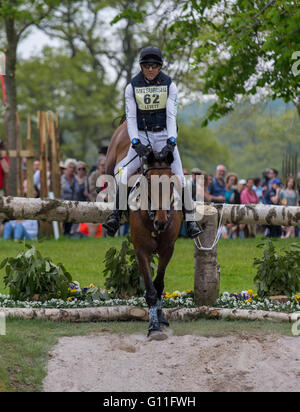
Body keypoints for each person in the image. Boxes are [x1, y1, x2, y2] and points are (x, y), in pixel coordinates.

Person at [103, 46, 201, 238]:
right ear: (141, 66)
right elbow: (130, 118)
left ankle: (191, 221)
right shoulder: (131, 87)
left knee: (181, 178)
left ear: (160, 67)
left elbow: (171, 116)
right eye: (146, 66)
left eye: (154, 66)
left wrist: (172, 141)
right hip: (142, 135)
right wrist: (136, 142)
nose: (150, 69)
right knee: (121, 174)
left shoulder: (169, 85)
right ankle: (115, 216)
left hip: (164, 135)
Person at [61, 159, 81, 236]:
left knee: (70, 226)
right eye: (70, 167)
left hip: (73, 205)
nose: (71, 169)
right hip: (63, 204)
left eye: (73, 167)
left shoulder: (75, 180)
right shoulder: (61, 179)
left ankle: (68, 235)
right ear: (66, 168)